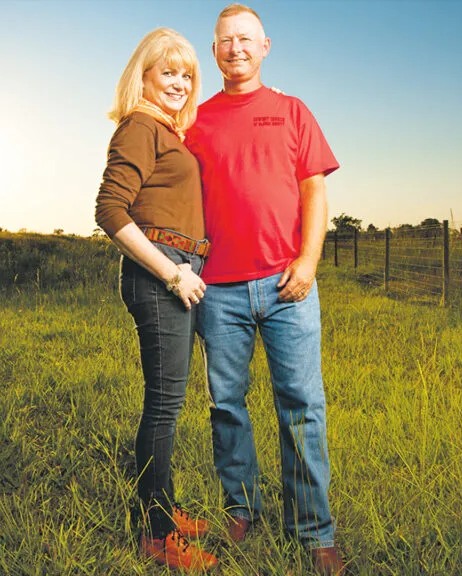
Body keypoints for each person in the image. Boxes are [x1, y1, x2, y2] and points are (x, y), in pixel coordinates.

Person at [183, 4, 344, 574]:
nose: (236, 49)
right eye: (226, 40)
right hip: (217, 290)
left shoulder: (292, 111)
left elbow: (314, 194)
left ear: (266, 45)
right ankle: (240, 510)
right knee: (227, 406)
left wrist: (309, 261)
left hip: (286, 284)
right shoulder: (195, 122)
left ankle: (315, 531)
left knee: (302, 406)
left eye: (246, 39)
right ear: (215, 48)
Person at [94, 27, 218, 572]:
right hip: (163, 274)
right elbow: (109, 211)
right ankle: (156, 533)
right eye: (167, 71)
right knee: (164, 407)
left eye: (187, 75)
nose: (179, 82)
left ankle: (162, 505)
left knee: (168, 403)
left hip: (179, 267)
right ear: (142, 75)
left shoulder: (167, 131)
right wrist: (173, 274)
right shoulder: (140, 127)